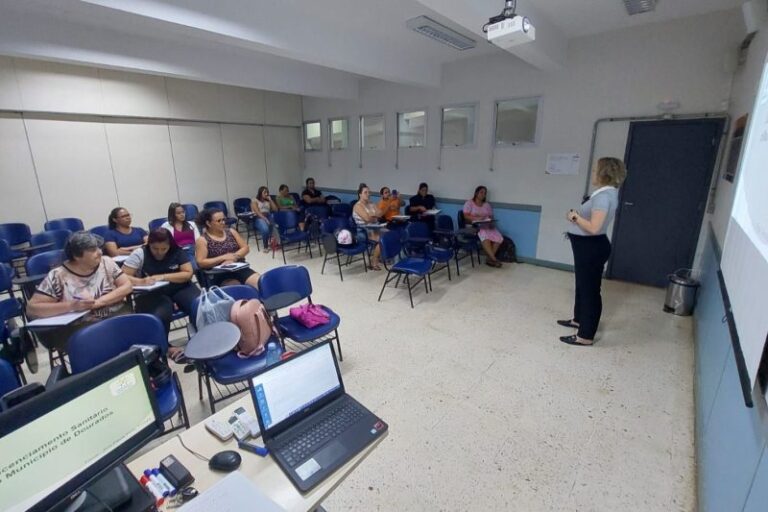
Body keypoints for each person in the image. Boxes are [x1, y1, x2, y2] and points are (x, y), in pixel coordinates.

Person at [27, 231, 134, 355]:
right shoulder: (58, 275)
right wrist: (71, 306)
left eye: (99, 248)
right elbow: (33, 308)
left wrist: (99, 302)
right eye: (93, 250)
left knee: (136, 330)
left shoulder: (106, 262)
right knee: (105, 343)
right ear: (77, 256)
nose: (99, 252)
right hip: (80, 326)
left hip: (115, 314)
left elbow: (126, 286)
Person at [559, 157, 627, 347]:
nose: (593, 172)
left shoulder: (604, 197)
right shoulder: (605, 193)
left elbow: (595, 227)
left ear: (604, 173)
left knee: (590, 291)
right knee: (582, 286)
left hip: (591, 247)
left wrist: (574, 217)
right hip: (587, 247)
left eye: (596, 169)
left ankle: (585, 335)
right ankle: (578, 319)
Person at [122, 229, 201, 339]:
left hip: (179, 287)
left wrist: (163, 276)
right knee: (161, 313)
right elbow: (122, 277)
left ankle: (200, 336)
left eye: (164, 248)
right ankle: (164, 347)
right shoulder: (140, 253)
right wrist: (140, 281)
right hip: (152, 293)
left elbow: (188, 273)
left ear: (170, 245)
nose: (159, 252)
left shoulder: (177, 251)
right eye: (155, 248)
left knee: (199, 304)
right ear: (149, 244)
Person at [195, 208, 260, 288]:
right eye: (219, 221)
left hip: (238, 267)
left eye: (224, 219)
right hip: (220, 273)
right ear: (208, 223)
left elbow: (245, 248)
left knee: (261, 283)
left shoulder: (231, 232)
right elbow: (201, 262)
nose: (223, 223)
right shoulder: (202, 240)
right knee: (239, 291)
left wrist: (232, 258)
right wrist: (223, 258)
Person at [463, 186, 504, 268]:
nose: (483, 195)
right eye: (481, 192)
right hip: (474, 226)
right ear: (476, 193)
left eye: (485, 193)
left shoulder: (487, 205)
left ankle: (489, 259)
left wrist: (491, 221)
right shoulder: (469, 203)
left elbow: (491, 216)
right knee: (484, 235)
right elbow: (465, 216)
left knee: (499, 238)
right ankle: (494, 259)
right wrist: (477, 218)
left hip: (486, 225)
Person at [352, 183, 383, 270]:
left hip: (375, 227)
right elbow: (366, 219)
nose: (368, 194)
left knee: (391, 234)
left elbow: (380, 213)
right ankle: (374, 260)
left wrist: (372, 215)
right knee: (382, 240)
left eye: (369, 192)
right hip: (363, 230)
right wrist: (373, 215)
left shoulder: (371, 203)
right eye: (365, 192)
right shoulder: (357, 206)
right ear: (360, 194)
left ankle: (380, 256)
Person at [251, 186, 278, 252]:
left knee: (275, 227)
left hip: (268, 216)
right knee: (265, 229)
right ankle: (265, 246)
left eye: (267, 192)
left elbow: (276, 209)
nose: (267, 194)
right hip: (258, 217)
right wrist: (265, 219)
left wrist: (271, 200)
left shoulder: (268, 201)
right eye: (265, 192)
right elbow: (257, 212)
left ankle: (274, 242)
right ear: (260, 193)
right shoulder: (254, 200)